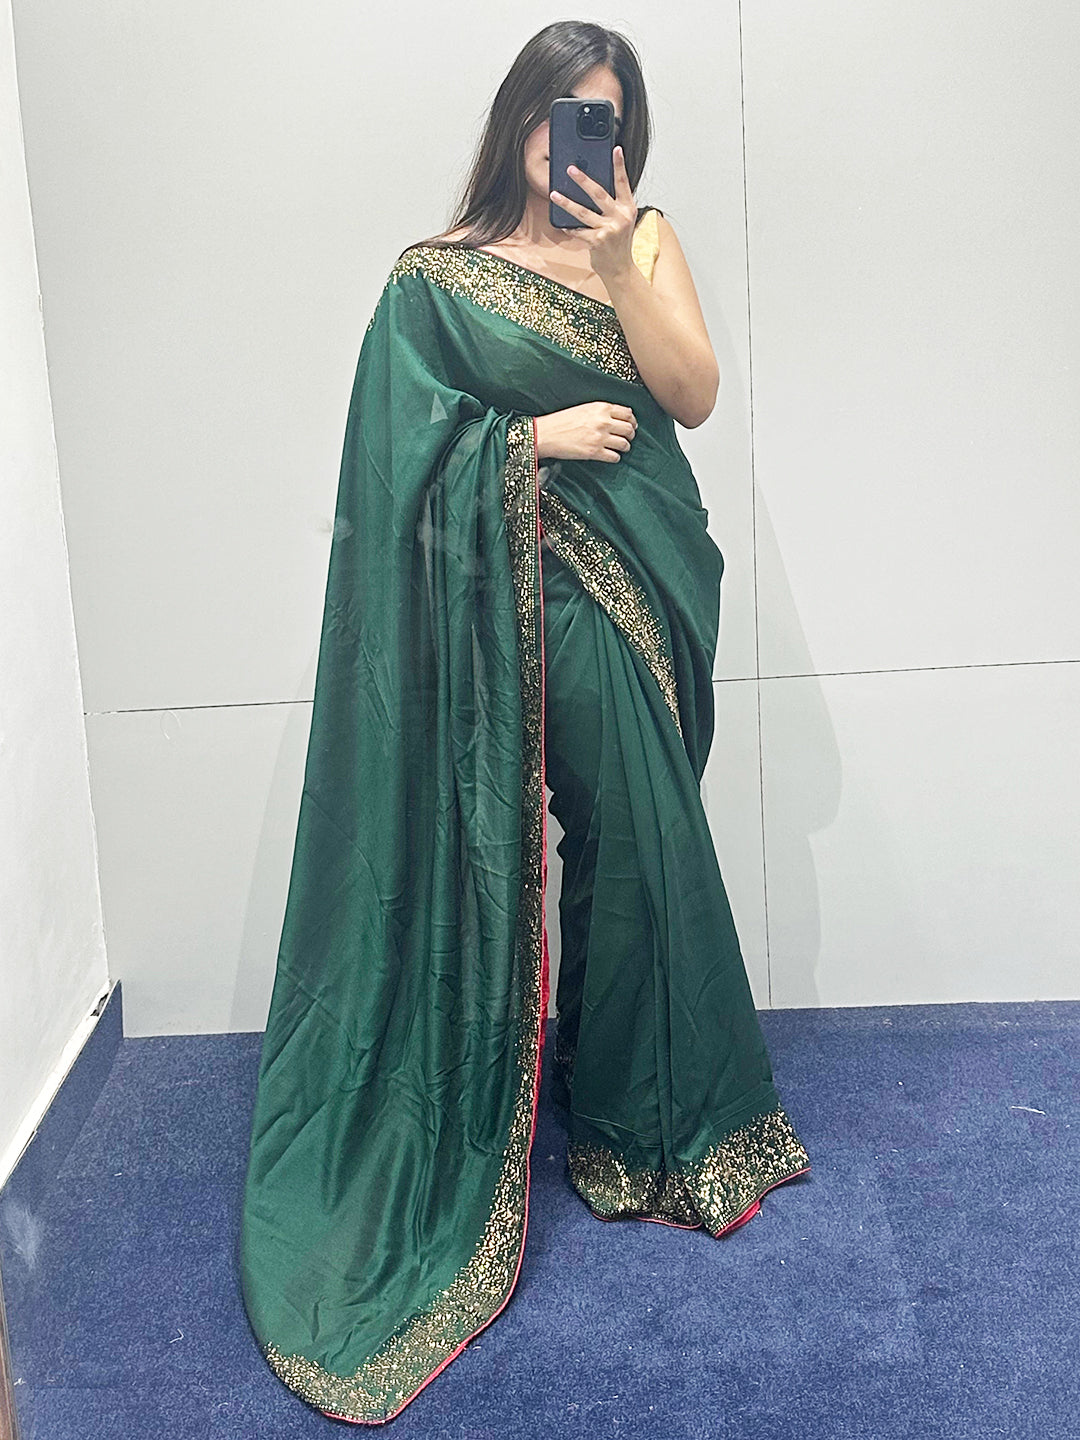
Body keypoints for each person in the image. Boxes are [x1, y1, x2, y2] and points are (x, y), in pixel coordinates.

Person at [239, 20, 812, 1427]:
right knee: (636, 831)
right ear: (518, 124)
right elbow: (392, 477)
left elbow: (690, 392)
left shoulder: (645, 240)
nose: (582, 142)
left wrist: (624, 262)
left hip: (653, 573)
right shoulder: (432, 282)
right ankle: (647, 1125)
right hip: (534, 586)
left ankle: (625, 1112)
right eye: (563, 115)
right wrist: (527, 441)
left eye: (607, 117)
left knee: (635, 836)